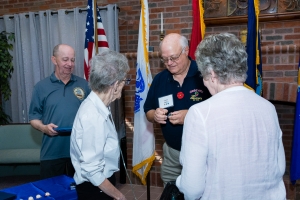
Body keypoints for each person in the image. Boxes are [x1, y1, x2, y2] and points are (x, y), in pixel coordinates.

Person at [176, 33, 286, 199]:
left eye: (203, 75)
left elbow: (192, 189)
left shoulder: (200, 113)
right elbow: (279, 168)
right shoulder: (268, 108)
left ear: (212, 74)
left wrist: (179, 182)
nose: (204, 82)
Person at [144, 33, 211, 186]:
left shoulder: (205, 74)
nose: (169, 63)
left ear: (186, 51)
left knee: (200, 191)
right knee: (171, 191)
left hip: (202, 153)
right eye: (165, 59)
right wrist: (155, 115)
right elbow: (148, 110)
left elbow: (220, 112)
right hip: (172, 153)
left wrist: (190, 115)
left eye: (174, 57)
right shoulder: (160, 79)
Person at [70, 50, 129, 200]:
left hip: (102, 184)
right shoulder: (93, 115)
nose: (124, 86)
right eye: (125, 81)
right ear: (115, 84)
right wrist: (119, 196)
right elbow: (92, 170)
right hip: (95, 189)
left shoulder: (99, 106)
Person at [29, 44, 90, 179]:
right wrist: (44, 128)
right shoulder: (41, 87)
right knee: (52, 193)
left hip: (80, 153)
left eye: (72, 60)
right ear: (54, 59)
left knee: (80, 194)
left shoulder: (84, 85)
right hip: (51, 153)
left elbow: (93, 115)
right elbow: (33, 117)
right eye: (65, 59)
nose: (70, 64)